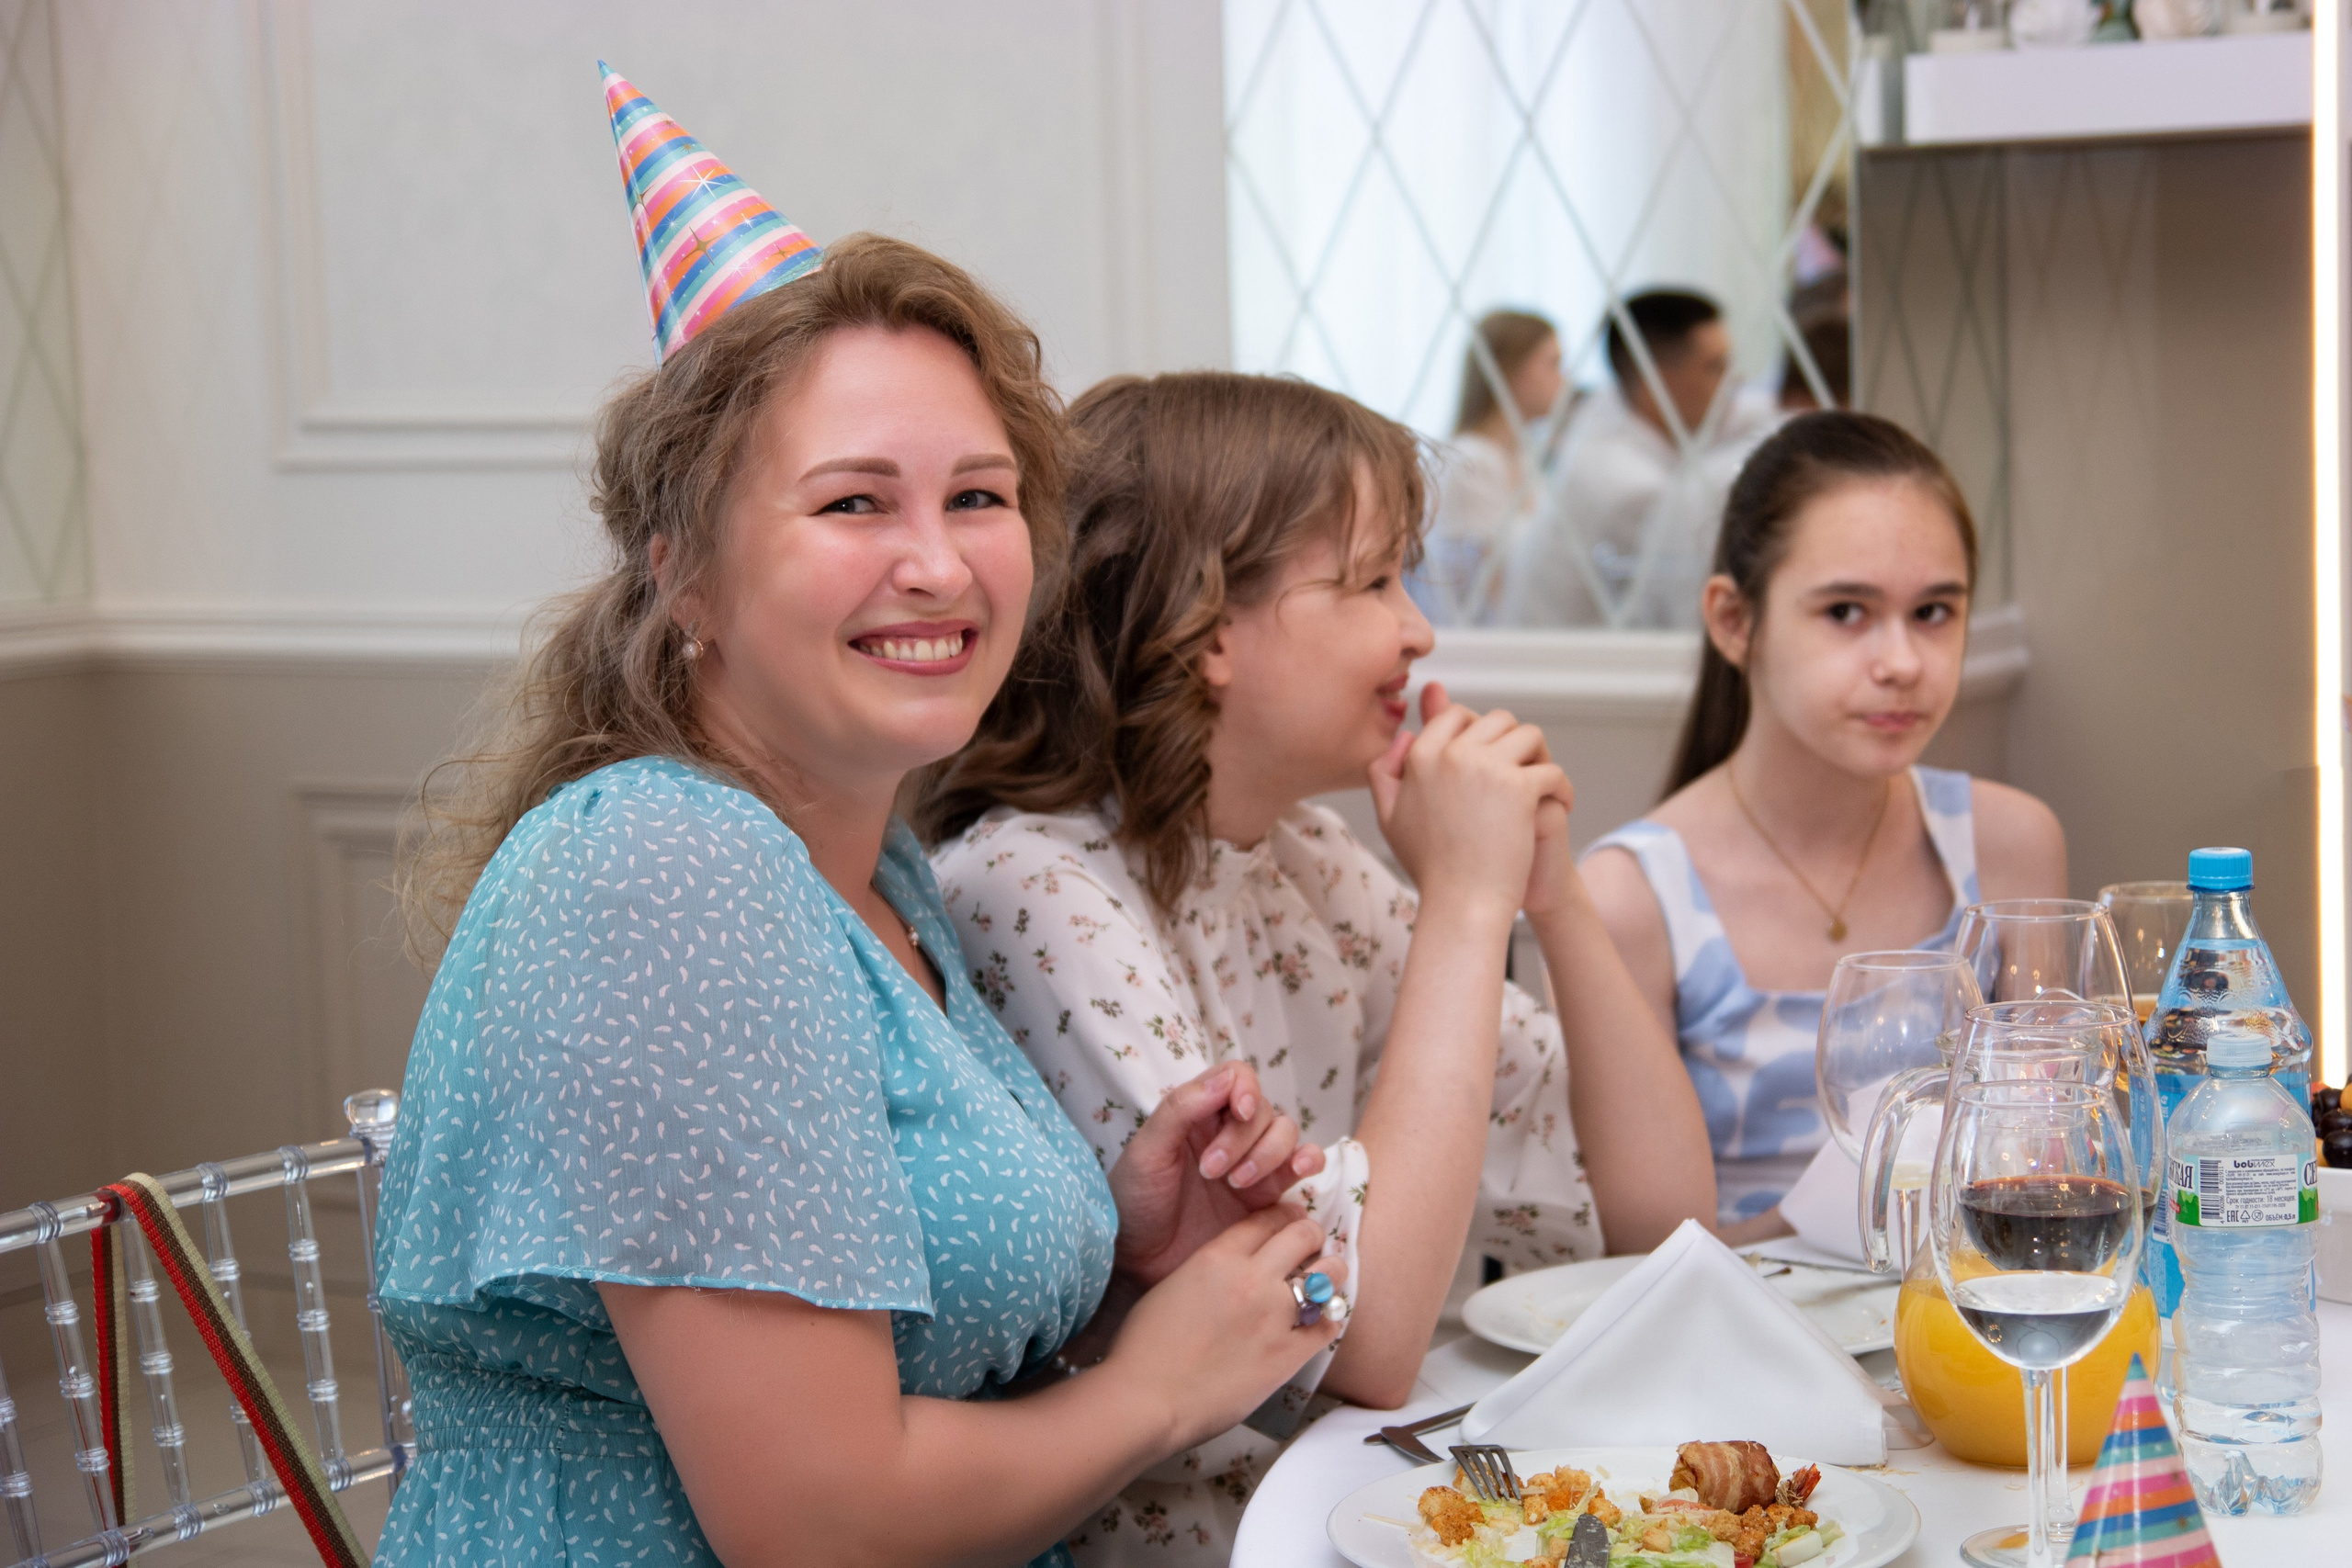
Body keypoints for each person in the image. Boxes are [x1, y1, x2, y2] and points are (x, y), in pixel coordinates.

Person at [376, 72, 1348, 1568]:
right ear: (684, 577)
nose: (941, 565)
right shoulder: (663, 866)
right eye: (851, 505)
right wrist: (1157, 1385)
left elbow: (862, 1332)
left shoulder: (871, 865)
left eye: (977, 495)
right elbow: (815, 1517)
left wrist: (1117, 1253)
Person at [920, 371, 1715, 1564]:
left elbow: (1663, 1209)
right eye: (1368, 580)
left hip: (1368, 1500)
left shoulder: (1291, 852)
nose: (1418, 627)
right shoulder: (1032, 888)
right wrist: (1463, 901)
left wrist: (1549, 896)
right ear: (1207, 629)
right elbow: (1359, 1331)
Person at [1580, 411, 2066, 1243]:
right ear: (1735, 621)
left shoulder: (2008, 844)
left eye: (1934, 613)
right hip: (1731, 1351)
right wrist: (1846, 1223)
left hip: (1971, 1345)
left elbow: (2055, 1161)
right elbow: (1646, 1258)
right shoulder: (1628, 897)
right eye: (1847, 611)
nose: (1903, 661)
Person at [1505, 288, 1775, 629]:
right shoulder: (1631, 488)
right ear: (1657, 381)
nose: (1733, 383)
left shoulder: (1607, 422)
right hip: (1573, 671)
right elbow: (1672, 614)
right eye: (1714, 367)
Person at [1414, 309, 1566, 626]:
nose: (1564, 380)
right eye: (1552, 364)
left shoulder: (1524, 457)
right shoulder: (1471, 461)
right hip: (1481, 649)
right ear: (1512, 370)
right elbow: (1486, 586)